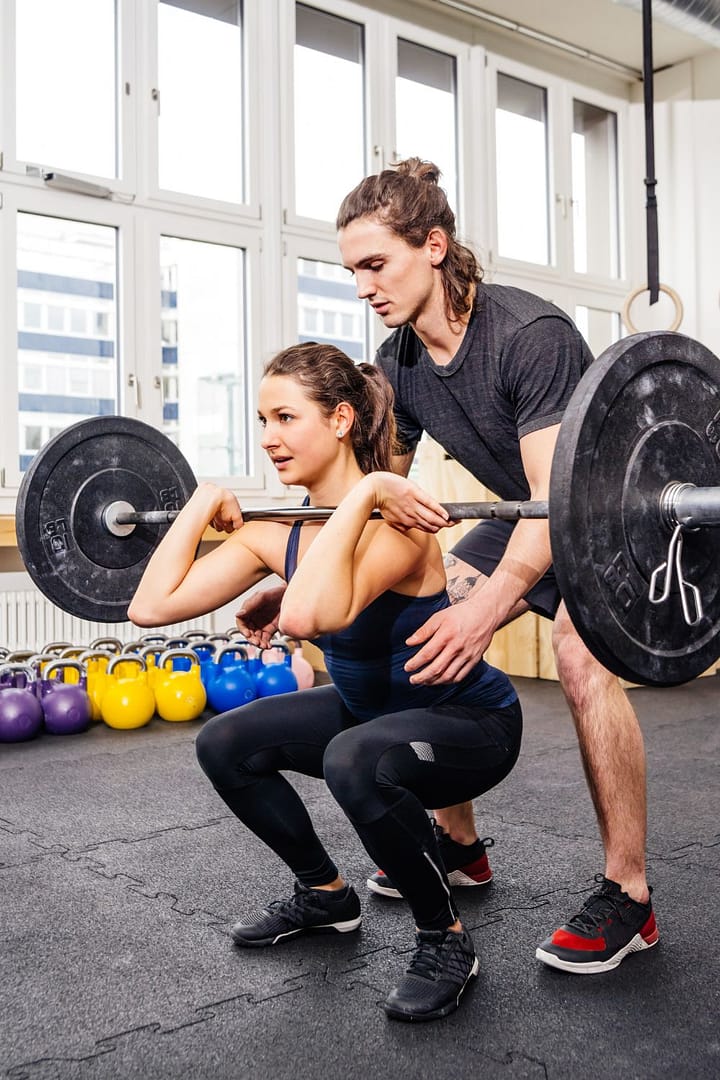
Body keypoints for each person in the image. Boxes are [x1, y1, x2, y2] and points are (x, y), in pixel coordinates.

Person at [238, 158, 659, 977]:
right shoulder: (398, 362)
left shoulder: (528, 338)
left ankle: (630, 895)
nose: (362, 285)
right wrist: (292, 576)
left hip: (610, 523)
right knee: (417, 613)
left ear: (433, 246)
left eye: (375, 263)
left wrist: (490, 605)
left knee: (578, 655)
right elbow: (372, 504)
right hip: (526, 517)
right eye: (351, 269)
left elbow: (552, 501)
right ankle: (460, 845)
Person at [128, 342, 522, 1022]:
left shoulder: (396, 526)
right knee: (225, 744)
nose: (268, 439)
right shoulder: (277, 530)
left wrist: (370, 488)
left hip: (469, 726)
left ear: (340, 420)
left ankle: (445, 938)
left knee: (354, 759)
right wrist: (200, 504)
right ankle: (325, 894)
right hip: (372, 718)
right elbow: (149, 607)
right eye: (261, 421)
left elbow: (310, 612)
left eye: (285, 418)